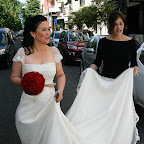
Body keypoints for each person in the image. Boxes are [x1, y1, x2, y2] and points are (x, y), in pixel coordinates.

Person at [11, 14, 140, 144]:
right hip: (29, 104)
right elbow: (14, 77)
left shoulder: (54, 52)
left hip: (52, 101)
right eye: (44, 30)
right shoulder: (22, 53)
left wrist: (60, 91)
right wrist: (26, 81)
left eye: (48, 29)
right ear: (33, 33)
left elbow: (61, 75)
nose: (48, 33)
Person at [90, 10, 138, 78]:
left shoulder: (131, 43)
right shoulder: (103, 42)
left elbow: (134, 63)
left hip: (123, 82)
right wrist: (89, 71)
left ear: (124, 25)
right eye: (115, 24)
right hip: (106, 82)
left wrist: (135, 69)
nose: (118, 27)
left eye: (120, 24)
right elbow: (97, 62)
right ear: (111, 26)